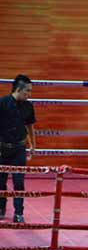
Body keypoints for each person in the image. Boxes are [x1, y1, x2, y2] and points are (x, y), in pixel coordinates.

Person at [0, 74, 36, 223]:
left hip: (19, 149)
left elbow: (30, 126)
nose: (29, 94)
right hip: (2, 148)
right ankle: (1, 208)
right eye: (27, 91)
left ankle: (19, 213)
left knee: (19, 181)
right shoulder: (2, 103)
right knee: (0, 181)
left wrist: (33, 144)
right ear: (19, 90)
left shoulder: (28, 106)